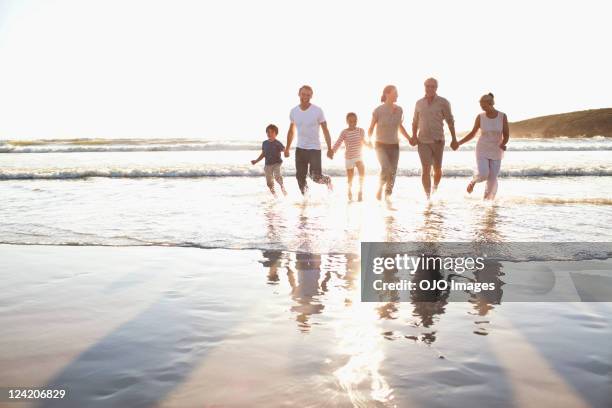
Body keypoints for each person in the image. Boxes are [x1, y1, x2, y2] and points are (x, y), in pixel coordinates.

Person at [452, 93, 509, 200]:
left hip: (496, 150)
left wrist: (503, 143)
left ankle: (487, 203)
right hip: (482, 149)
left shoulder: (502, 116)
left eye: (484, 105)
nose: (482, 108)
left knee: (492, 179)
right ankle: (474, 181)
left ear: (490, 103)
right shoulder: (480, 117)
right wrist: (459, 143)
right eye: (481, 106)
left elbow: (506, 135)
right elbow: (473, 133)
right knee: (483, 174)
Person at [412, 78, 457, 198]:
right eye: (428, 86)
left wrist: (454, 139)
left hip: (438, 140)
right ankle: (428, 197)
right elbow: (415, 122)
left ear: (436, 88)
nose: (430, 88)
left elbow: (450, 121)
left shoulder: (444, 102)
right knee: (425, 168)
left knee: (437, 169)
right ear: (424, 87)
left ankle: (435, 188)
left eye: (433, 86)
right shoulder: (419, 103)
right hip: (423, 141)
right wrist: (413, 136)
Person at [284, 85, 333, 195]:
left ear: (311, 96)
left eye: (308, 95)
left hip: (314, 149)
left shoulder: (317, 111)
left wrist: (330, 148)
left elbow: (325, 130)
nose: (305, 96)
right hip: (300, 149)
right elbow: (291, 131)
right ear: (299, 94)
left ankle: (327, 180)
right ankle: (306, 199)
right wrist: (287, 148)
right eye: (303, 94)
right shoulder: (293, 111)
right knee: (300, 177)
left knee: (315, 177)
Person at [368, 85, 412, 201]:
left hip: (394, 145)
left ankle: (387, 197)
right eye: (395, 93)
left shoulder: (399, 110)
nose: (397, 95)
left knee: (393, 171)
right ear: (387, 94)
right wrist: (368, 140)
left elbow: (400, 127)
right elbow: (371, 128)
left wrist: (409, 138)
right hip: (380, 145)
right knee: (386, 168)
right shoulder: (378, 110)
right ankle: (380, 188)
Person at [330, 112, 368, 201]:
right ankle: (349, 190)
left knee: (362, 173)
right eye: (350, 121)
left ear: (356, 121)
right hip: (349, 158)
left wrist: (370, 145)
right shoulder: (344, 132)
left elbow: (363, 141)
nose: (353, 123)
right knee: (350, 178)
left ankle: (360, 191)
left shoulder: (361, 131)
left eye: (354, 121)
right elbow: (338, 142)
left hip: (359, 156)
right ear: (347, 121)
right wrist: (332, 151)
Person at [251, 124, 287, 196]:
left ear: (275, 133)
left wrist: (286, 151)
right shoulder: (265, 143)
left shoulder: (277, 143)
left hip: (277, 163)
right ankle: (275, 196)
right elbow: (263, 154)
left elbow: (284, 149)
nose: (269, 134)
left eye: (271, 132)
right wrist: (256, 161)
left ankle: (282, 188)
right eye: (268, 132)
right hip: (267, 165)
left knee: (277, 176)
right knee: (269, 183)